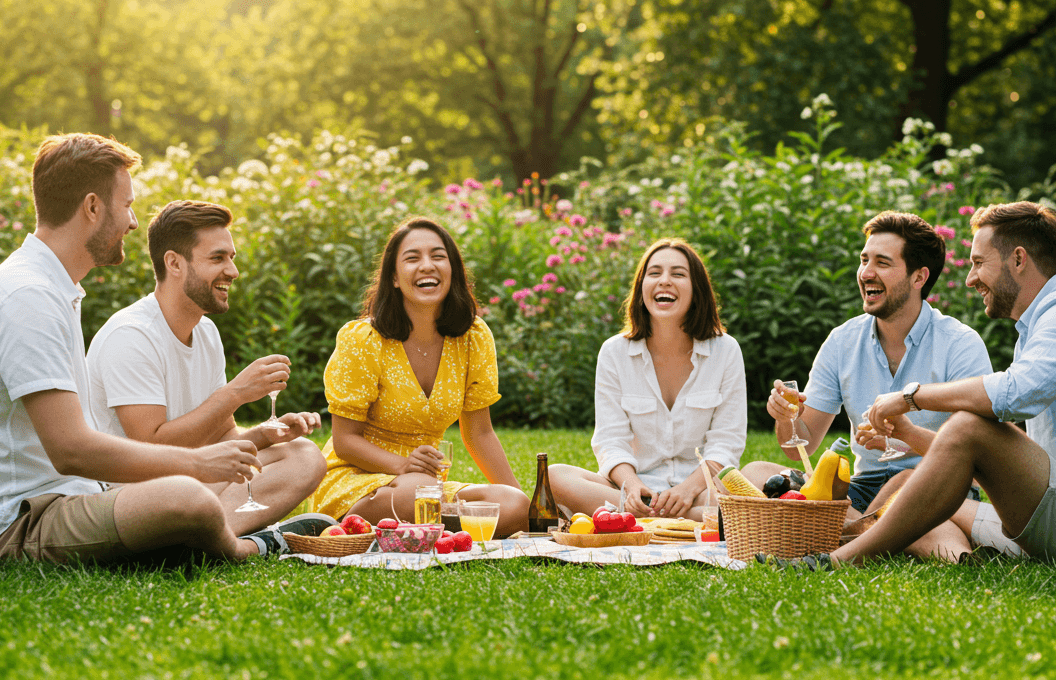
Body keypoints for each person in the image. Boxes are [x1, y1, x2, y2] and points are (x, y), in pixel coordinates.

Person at [0, 134, 292, 565]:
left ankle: (199, 532)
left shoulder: (52, 288)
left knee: (270, 467)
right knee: (187, 496)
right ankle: (245, 546)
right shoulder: (27, 295)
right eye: (126, 205)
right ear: (92, 207)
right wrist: (198, 464)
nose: (133, 222)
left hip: (70, 498)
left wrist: (234, 448)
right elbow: (71, 450)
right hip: (15, 522)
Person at [831, 201, 1056, 568]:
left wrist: (911, 397)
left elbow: (1011, 396)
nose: (970, 278)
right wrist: (909, 434)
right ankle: (838, 540)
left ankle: (841, 559)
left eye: (979, 263)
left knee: (968, 424)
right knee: (903, 486)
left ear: (1018, 259)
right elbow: (995, 450)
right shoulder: (1040, 324)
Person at [740, 211, 995, 561]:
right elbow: (800, 446)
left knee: (904, 484)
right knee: (755, 473)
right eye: (864, 260)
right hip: (860, 491)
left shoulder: (960, 345)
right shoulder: (842, 341)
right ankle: (872, 530)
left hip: (937, 488)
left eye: (882, 262)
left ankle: (843, 534)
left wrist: (907, 437)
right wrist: (787, 418)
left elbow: (979, 463)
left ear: (919, 277)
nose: (866, 273)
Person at [86, 200, 331, 540]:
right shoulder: (131, 335)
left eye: (231, 257)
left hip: (187, 482)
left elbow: (223, 438)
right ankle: (223, 538)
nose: (233, 271)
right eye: (218, 258)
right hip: (133, 497)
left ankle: (210, 538)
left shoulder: (206, 332)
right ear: (174, 263)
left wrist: (267, 434)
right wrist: (235, 393)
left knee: (304, 455)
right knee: (187, 494)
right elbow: (151, 447)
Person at [308, 217, 530, 535]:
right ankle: (428, 525)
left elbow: (480, 434)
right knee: (419, 491)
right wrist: (402, 465)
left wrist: (524, 510)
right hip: (356, 482)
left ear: (452, 270)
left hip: (426, 488)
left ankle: (427, 529)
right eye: (412, 258)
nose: (427, 266)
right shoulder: (363, 340)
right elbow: (345, 442)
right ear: (394, 278)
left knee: (511, 504)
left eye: (438, 256)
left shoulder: (473, 337)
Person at [549, 238, 746, 522]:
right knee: (555, 476)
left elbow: (727, 442)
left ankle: (641, 520)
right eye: (654, 273)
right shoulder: (614, 352)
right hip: (634, 492)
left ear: (697, 290)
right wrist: (631, 486)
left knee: (757, 476)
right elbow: (610, 440)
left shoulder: (726, 350)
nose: (664, 281)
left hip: (702, 488)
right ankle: (691, 519)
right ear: (641, 289)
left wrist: (687, 490)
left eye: (678, 274)